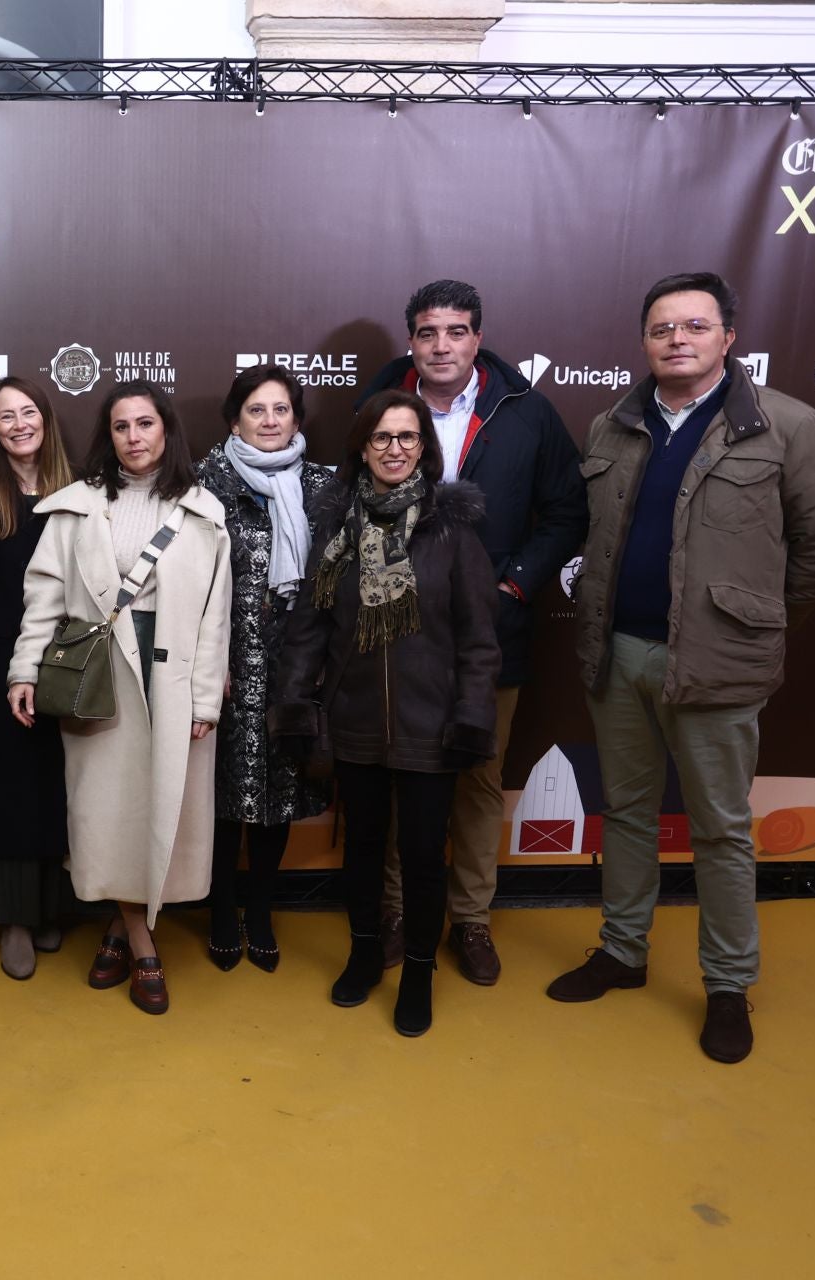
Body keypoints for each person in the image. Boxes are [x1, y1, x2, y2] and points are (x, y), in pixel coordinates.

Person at [549, 272, 815, 1064]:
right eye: (662, 329)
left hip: (717, 663)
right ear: (644, 342)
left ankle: (727, 984)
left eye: (694, 326)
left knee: (719, 828)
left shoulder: (790, 427)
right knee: (626, 812)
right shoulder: (613, 425)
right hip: (619, 653)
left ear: (728, 337)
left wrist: (752, 620)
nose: (677, 340)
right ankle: (623, 951)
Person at [356, 280, 587, 984]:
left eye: (456, 332)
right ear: (411, 341)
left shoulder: (525, 412)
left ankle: (471, 919)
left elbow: (567, 512)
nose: (441, 346)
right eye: (428, 333)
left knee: (479, 781)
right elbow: (348, 501)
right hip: (395, 633)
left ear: (477, 339)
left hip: (491, 633)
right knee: (400, 776)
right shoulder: (378, 407)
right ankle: (396, 913)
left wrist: (512, 585)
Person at [271, 389, 500, 1038]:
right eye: (382, 438)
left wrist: (471, 715)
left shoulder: (451, 531)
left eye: (407, 437)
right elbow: (309, 629)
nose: (394, 449)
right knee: (364, 850)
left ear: (424, 448)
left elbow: (479, 641)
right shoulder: (336, 530)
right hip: (356, 719)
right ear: (362, 449)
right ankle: (366, 953)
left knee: (423, 857)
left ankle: (419, 972)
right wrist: (297, 703)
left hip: (432, 726)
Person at [8, 380, 231, 1015]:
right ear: (108, 436)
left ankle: (119, 930)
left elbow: (216, 616)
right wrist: (24, 669)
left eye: (145, 424)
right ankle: (142, 942)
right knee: (109, 813)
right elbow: (43, 599)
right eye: (121, 426)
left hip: (174, 678)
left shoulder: (203, 512)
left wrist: (206, 701)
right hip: (98, 678)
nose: (134, 437)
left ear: (167, 430)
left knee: (161, 809)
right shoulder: (77, 507)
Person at [195, 364, 334, 973]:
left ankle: (260, 909)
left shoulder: (325, 486)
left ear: (296, 419)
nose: (270, 421)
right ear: (235, 421)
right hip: (223, 666)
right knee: (224, 795)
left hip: (295, 667)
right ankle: (221, 910)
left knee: (280, 793)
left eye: (281, 409)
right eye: (257, 410)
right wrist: (206, 662)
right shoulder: (204, 481)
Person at [0, 376, 78, 980]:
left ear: (46, 420)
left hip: (73, 659)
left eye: (29, 412)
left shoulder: (82, 491)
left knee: (59, 781)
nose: (20, 424)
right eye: (7, 416)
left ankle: (52, 905)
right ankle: (14, 920)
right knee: (8, 786)